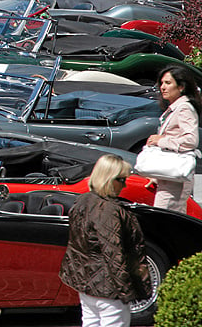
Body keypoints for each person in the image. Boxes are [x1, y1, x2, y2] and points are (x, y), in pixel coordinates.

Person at [59, 154, 151, 327]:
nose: (124, 184)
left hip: (86, 283)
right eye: (121, 179)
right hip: (108, 288)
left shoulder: (83, 201)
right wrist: (126, 291)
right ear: (109, 179)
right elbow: (114, 253)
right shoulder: (109, 211)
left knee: (90, 322)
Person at [147, 66, 201, 213]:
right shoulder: (175, 108)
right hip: (169, 178)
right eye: (162, 83)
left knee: (165, 222)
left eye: (168, 83)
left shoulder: (184, 108)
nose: (163, 87)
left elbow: (190, 140)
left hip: (176, 181)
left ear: (181, 86)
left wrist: (160, 140)